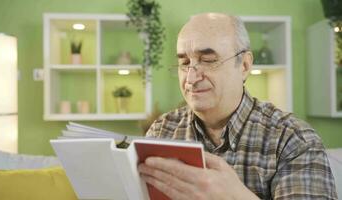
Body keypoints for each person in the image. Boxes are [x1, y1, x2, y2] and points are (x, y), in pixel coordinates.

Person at [138, 13, 338, 199]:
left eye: (208, 60)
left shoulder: (293, 140)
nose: (190, 78)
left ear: (244, 66)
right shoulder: (162, 130)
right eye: (184, 62)